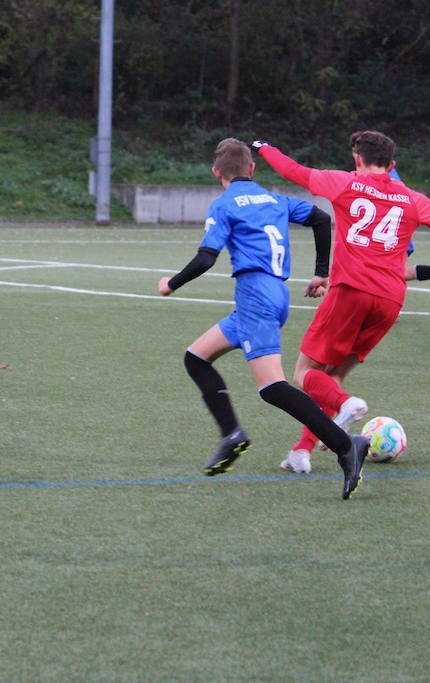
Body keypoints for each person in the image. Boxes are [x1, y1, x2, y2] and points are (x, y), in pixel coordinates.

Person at [251, 132, 430, 475]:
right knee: (332, 378)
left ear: (357, 159)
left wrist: (264, 148)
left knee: (304, 374)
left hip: (350, 292)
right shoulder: (411, 197)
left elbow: (293, 171)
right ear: (392, 165)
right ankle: (302, 452)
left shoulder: (345, 182)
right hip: (390, 300)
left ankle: (347, 405)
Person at [158, 138, 370, 500]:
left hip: (256, 296)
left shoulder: (224, 203)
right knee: (196, 358)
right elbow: (321, 218)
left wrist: (171, 284)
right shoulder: (274, 199)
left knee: (272, 387)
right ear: (252, 169)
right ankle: (232, 435)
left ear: (216, 173)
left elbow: (207, 257)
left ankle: (346, 445)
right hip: (271, 295)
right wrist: (321, 272)